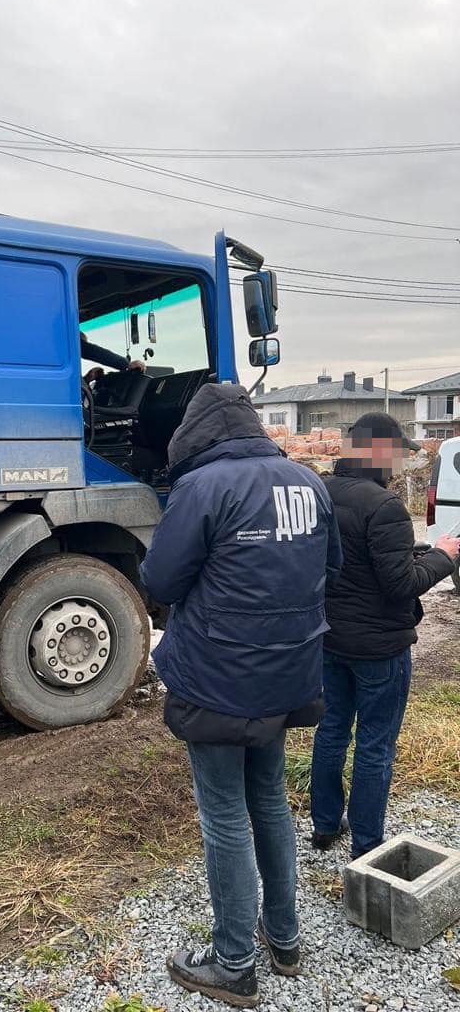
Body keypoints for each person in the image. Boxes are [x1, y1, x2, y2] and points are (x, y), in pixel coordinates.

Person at [140, 384, 342, 1007]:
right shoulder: (308, 483)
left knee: (223, 813)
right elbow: (328, 569)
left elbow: (161, 579)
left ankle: (232, 962)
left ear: (197, 435)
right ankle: (283, 938)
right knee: (271, 800)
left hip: (218, 678)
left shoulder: (204, 489)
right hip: (288, 670)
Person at [310, 413, 460, 859]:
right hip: (379, 648)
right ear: (377, 452)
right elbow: (401, 585)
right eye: (396, 453)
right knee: (375, 744)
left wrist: (408, 553)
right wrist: (443, 556)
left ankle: (323, 825)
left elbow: (347, 562)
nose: (397, 464)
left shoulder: (322, 493)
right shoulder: (385, 505)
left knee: (332, 732)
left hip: (330, 638)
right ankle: (366, 845)